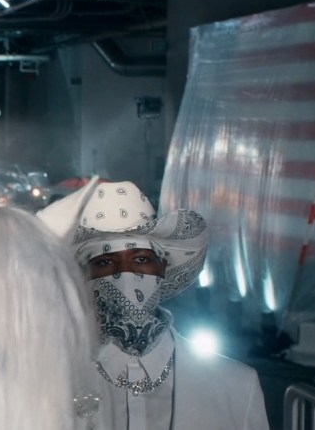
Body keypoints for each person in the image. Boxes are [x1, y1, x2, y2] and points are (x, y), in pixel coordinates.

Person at [72, 181, 268, 430]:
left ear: (163, 268)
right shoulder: (55, 382)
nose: (125, 275)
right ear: (84, 276)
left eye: (141, 259)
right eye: (105, 262)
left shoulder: (236, 387)